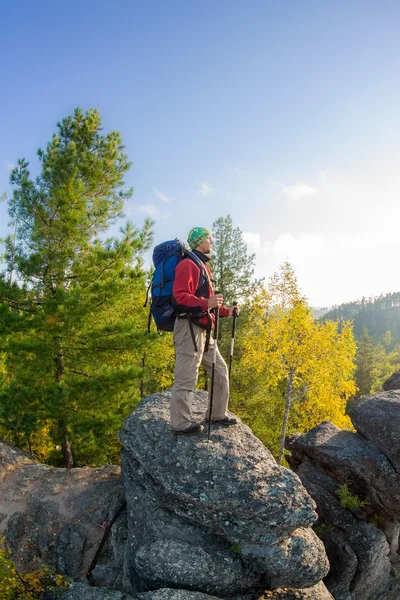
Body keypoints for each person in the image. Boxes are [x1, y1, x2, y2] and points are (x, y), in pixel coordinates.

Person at [170, 226, 238, 435]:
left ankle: (216, 414)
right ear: (199, 241)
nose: (212, 240)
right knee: (187, 376)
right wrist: (207, 302)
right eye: (209, 237)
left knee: (220, 371)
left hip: (203, 330)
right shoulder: (188, 264)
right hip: (188, 329)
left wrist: (226, 311)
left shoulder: (202, 266)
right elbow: (179, 297)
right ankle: (180, 423)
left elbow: (208, 304)